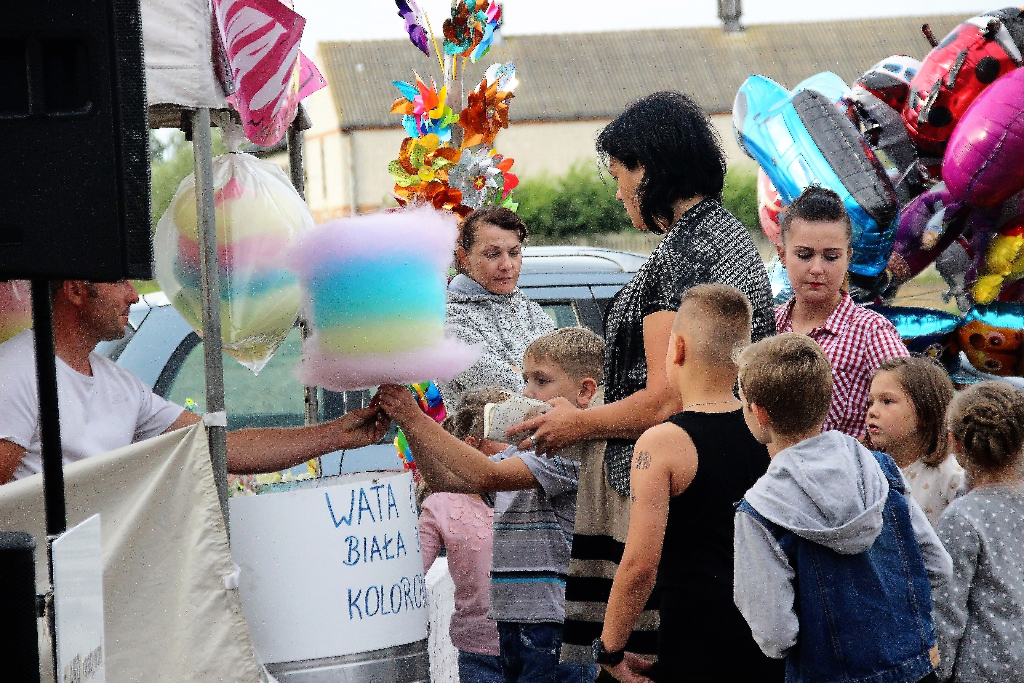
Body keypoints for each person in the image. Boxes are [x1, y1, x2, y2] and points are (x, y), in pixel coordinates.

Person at [511, 91, 775, 663]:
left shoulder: (677, 259)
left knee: (646, 656)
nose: (618, 191)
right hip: (729, 472)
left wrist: (577, 423)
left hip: (670, 486)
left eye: (619, 174)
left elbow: (663, 398)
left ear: (648, 170)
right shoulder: (728, 236)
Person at [378, 327, 605, 683]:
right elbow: (445, 480)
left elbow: (484, 476)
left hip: (556, 624)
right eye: (526, 378)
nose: (528, 392)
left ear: (585, 391)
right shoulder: (525, 450)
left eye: (541, 381)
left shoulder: (574, 448)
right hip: (514, 621)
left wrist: (417, 418)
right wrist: (409, 422)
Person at [0, 280, 389, 483]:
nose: (133, 296)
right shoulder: (16, 373)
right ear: (75, 290)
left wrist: (336, 435)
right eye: (119, 281)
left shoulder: (121, 385)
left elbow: (220, 448)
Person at [734, 333, 952, 683]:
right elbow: (938, 567)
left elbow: (775, 633)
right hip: (914, 669)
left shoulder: (759, 511)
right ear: (825, 400)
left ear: (759, 413)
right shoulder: (881, 470)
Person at [596, 285, 783, 683]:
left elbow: (639, 565)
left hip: (696, 639)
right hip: (768, 636)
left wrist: (610, 650)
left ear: (676, 348)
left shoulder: (663, 443)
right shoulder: (769, 433)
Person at [774, 185, 909, 438]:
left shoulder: (871, 332)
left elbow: (910, 409)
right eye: (804, 255)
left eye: (831, 257)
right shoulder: (770, 327)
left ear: (849, 257)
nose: (816, 268)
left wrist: (859, 453)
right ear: (782, 255)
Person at [934, 381, 1024, 683]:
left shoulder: (962, 518)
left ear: (955, 443)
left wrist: (939, 672)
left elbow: (947, 610)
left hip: (984, 669)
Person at [419, 387, 508, 683]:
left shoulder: (538, 485)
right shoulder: (442, 504)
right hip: (480, 650)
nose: (516, 445)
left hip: (545, 644)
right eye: (503, 436)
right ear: (471, 446)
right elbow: (409, 570)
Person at [440, 206, 555, 406]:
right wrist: (540, 378)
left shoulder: (529, 309)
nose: (507, 265)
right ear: (464, 258)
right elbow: (509, 393)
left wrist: (519, 372)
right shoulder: (447, 321)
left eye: (514, 253)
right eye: (493, 254)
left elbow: (569, 376)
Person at [866, 357, 963, 527]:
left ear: (926, 412)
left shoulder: (952, 475)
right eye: (870, 402)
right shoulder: (869, 469)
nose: (872, 411)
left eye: (887, 401)